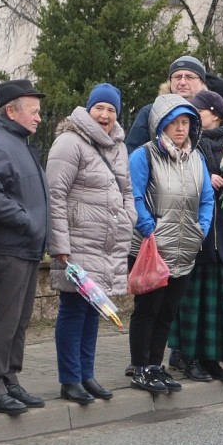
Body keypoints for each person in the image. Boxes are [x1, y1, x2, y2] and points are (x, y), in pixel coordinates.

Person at [45, 83, 135, 404]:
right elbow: (54, 195)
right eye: (100, 108)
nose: (105, 115)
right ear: (88, 109)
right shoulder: (70, 142)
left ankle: (86, 374)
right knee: (72, 309)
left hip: (105, 243)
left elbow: (126, 190)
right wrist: (60, 244)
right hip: (77, 241)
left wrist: (129, 217)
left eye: (111, 110)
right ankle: (70, 379)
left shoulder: (118, 147)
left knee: (92, 309)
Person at [0, 80, 50, 415]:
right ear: (11, 110)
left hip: (25, 247)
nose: (39, 118)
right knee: (3, 321)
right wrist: (26, 221)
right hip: (7, 247)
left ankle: (8, 379)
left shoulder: (18, 143)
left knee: (18, 321)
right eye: (33, 111)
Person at [127, 94, 214, 393]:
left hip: (184, 245)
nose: (180, 129)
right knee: (148, 309)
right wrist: (149, 229)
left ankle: (155, 365)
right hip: (151, 247)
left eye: (185, 122)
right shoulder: (144, 155)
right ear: (161, 125)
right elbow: (134, 195)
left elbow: (206, 198)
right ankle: (140, 367)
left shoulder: (197, 158)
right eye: (174, 123)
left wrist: (200, 229)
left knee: (168, 311)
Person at [169, 88, 223, 381]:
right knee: (192, 301)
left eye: (197, 110)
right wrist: (204, 178)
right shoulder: (190, 144)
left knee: (219, 300)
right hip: (194, 233)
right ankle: (189, 358)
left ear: (213, 113)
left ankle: (213, 358)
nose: (190, 117)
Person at [125, 55, 207, 152]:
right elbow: (132, 153)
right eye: (178, 77)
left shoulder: (212, 113)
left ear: (201, 82)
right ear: (170, 81)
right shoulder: (151, 112)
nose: (183, 82)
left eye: (189, 77)